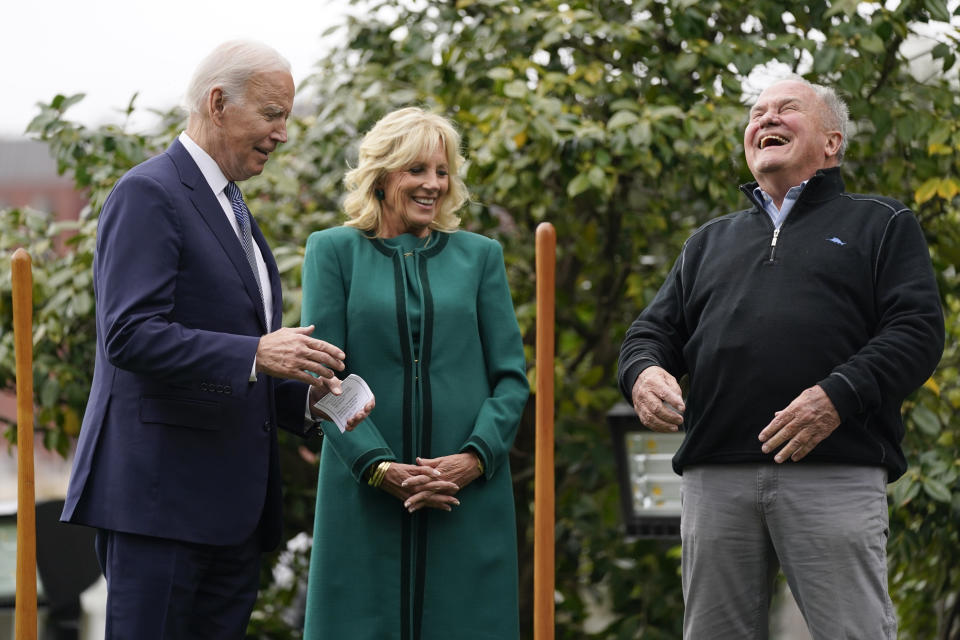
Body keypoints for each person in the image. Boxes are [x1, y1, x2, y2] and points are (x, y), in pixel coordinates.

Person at [60, 40, 372, 639]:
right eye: (273, 114)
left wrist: (308, 402)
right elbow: (128, 334)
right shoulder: (148, 193)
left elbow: (239, 359)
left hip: (231, 517)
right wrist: (257, 352)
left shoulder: (234, 210)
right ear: (218, 102)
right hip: (160, 510)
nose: (283, 133)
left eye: (287, 117)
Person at [618, 76, 944, 640]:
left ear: (832, 142)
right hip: (715, 478)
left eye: (787, 109)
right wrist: (643, 372)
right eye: (756, 112)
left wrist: (837, 396)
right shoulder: (707, 242)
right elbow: (650, 333)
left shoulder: (882, 224)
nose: (765, 119)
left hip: (834, 468)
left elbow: (917, 331)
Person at [299, 106, 530, 640]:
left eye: (442, 171)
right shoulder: (331, 251)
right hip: (363, 498)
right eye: (417, 170)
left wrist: (474, 459)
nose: (433, 184)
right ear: (382, 175)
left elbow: (511, 378)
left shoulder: (480, 257)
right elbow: (326, 381)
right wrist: (380, 468)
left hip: (466, 496)